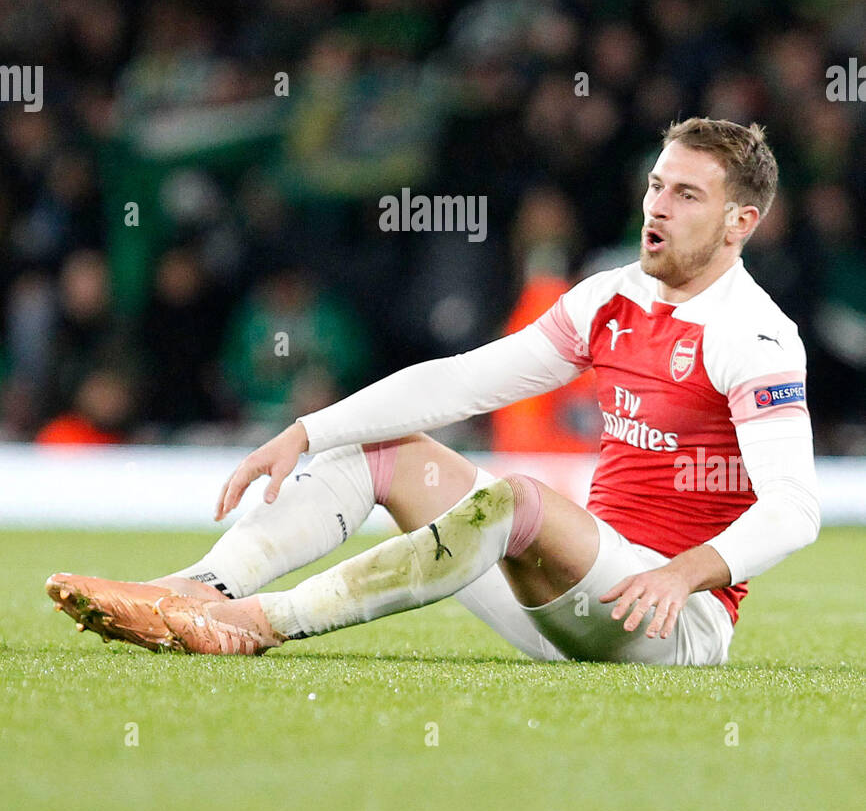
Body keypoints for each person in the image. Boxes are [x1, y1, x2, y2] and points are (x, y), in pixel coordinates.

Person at [47, 118, 820, 667]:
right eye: (656, 185)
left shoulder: (754, 335)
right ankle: (192, 590)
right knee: (376, 453)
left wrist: (682, 574)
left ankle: (250, 624)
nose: (657, 206)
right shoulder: (609, 299)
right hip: (568, 601)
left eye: (687, 195)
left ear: (738, 223)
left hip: (666, 623)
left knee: (518, 498)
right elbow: (462, 381)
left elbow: (794, 510)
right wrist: (307, 433)